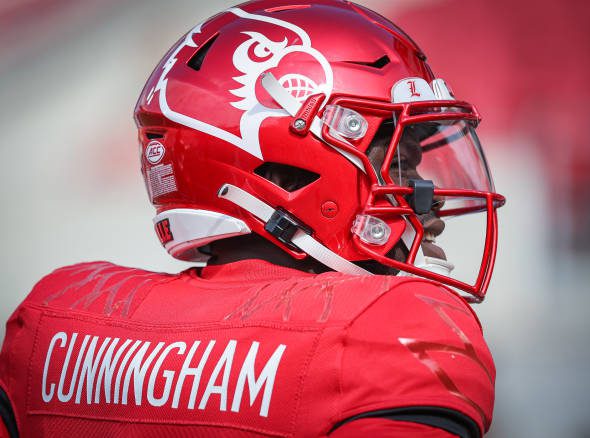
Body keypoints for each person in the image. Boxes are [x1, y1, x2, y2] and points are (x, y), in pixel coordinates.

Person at [0, 1, 505, 436]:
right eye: (400, 160)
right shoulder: (390, 329)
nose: (429, 200)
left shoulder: (55, 325)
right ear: (286, 165)